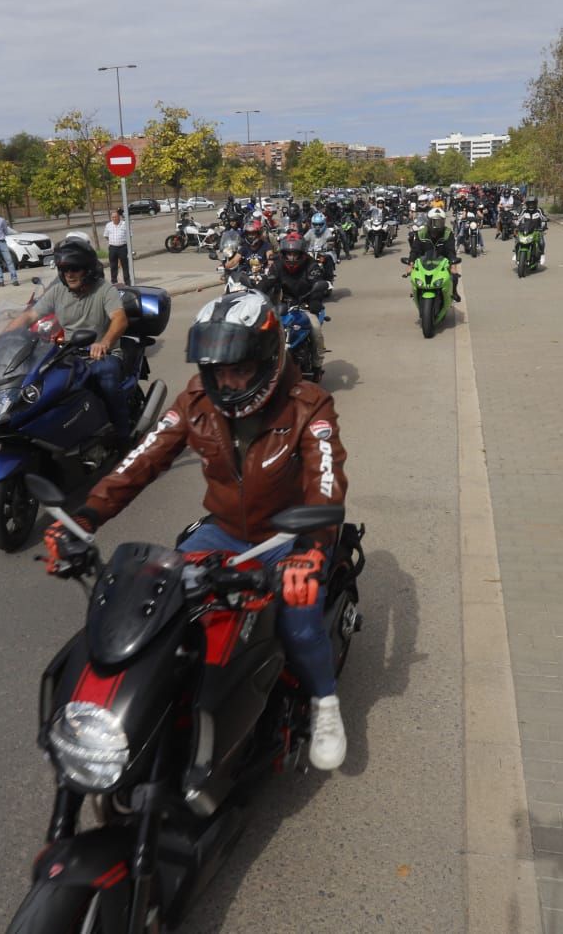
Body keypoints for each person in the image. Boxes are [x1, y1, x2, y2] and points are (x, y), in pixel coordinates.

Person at [42, 289, 349, 770]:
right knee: (163, 605)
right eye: (217, 370)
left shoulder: (308, 405)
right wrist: (85, 517)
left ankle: (324, 702)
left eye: (240, 369)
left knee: (298, 611)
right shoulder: (194, 400)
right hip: (223, 532)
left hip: (288, 535)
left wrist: (311, 549)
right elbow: (139, 462)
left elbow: (325, 481)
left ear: (268, 360)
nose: (227, 382)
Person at [14, 238, 133, 442]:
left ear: (87, 269)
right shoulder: (58, 292)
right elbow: (29, 316)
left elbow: (120, 320)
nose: (69, 274)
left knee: (106, 376)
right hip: (68, 354)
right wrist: (5, 338)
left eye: (75, 268)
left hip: (102, 354)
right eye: (65, 269)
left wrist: (104, 342)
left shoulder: (105, 290)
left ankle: (123, 432)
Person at [269, 232, 330, 363]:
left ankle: (317, 364)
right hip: (284, 307)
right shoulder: (277, 265)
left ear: (302, 254)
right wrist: (255, 294)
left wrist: (314, 301)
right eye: (288, 254)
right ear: (284, 253)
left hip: (306, 305)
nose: (291, 257)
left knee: (315, 329)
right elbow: (266, 283)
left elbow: (318, 284)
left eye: (295, 254)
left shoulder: (311, 265)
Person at [408, 206, 462, 301]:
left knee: (454, 277)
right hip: (423, 262)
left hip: (442, 262)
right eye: (436, 221)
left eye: (441, 221)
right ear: (429, 221)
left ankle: (454, 292)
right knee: (414, 276)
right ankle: (415, 291)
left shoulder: (447, 233)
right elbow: (415, 250)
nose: (439, 224)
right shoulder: (421, 233)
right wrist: (410, 263)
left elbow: (451, 250)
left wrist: (453, 265)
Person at [104, 208, 131, 285]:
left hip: (122, 247)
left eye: (115, 217)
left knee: (125, 265)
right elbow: (106, 236)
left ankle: (127, 282)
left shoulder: (125, 224)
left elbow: (129, 236)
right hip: (113, 248)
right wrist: (113, 241)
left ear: (119, 217)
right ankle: (114, 281)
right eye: (113, 217)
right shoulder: (108, 225)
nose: (114, 218)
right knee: (113, 265)